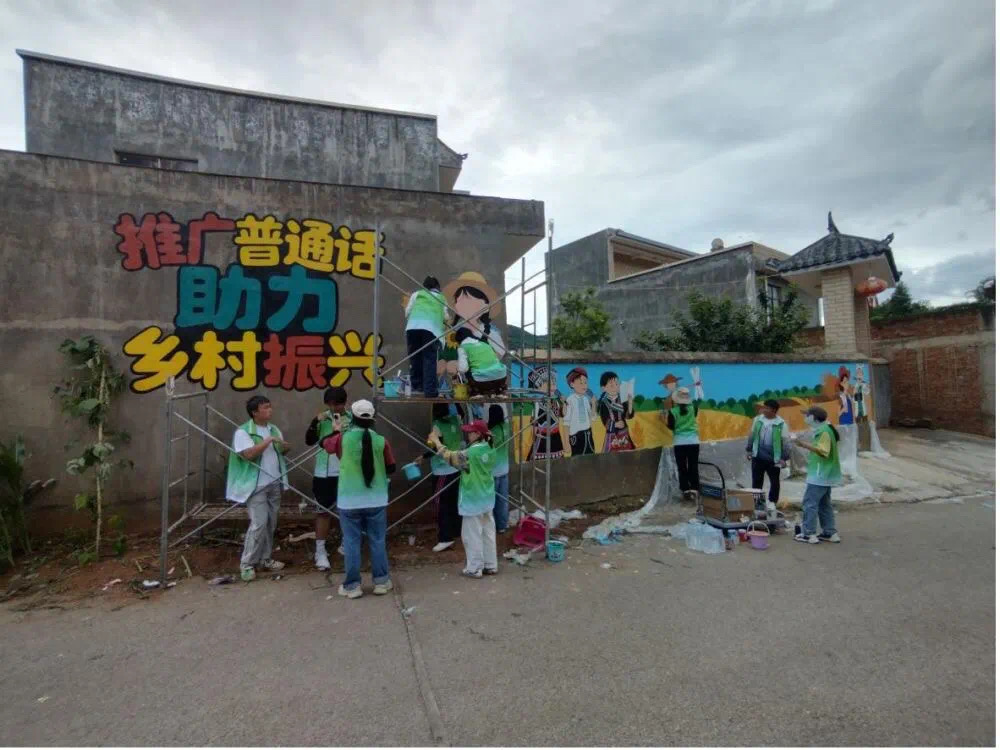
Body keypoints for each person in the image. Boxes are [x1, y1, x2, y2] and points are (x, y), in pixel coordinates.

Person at [321, 400, 396, 598]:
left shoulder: (342, 438)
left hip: (349, 500)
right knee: (377, 540)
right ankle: (381, 582)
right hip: (377, 499)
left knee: (352, 542)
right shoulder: (381, 440)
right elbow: (391, 467)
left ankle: (352, 586)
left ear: (353, 417)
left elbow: (325, 445)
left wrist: (336, 430)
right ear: (372, 419)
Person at [227, 395, 290, 582]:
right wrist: (268, 441)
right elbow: (248, 454)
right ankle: (247, 564)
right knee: (259, 524)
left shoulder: (273, 429)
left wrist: (284, 446)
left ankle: (265, 559)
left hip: (274, 482)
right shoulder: (243, 432)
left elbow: (281, 452)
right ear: (255, 412)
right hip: (256, 485)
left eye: (270, 406)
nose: (270, 410)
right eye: (265, 407)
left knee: (270, 523)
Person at [432, 419, 497, 578]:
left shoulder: (471, 453)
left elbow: (450, 457)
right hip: (487, 497)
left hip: (473, 499)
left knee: (471, 535)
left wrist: (436, 441)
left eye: (470, 432)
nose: (468, 435)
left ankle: (474, 568)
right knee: (488, 532)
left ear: (478, 434)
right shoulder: (490, 447)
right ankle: (490, 564)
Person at [304, 386, 349, 571]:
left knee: (348, 510)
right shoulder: (322, 419)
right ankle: (320, 551)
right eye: (329, 405)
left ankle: (347, 544)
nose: (333, 409)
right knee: (323, 512)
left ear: (344, 403)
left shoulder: (353, 419)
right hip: (324, 472)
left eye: (336, 405)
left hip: (347, 472)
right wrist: (315, 422)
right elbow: (309, 440)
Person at [793, 406, 842, 545]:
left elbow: (823, 451)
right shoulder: (826, 429)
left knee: (810, 504)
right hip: (826, 473)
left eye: (807, 415)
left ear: (813, 418)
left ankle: (809, 534)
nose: (805, 418)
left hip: (820, 474)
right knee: (824, 504)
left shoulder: (824, 432)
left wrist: (801, 444)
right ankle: (830, 533)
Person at [420, 402, 464, 553]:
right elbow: (462, 412)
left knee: (441, 505)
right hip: (456, 468)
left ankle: (445, 538)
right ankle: (456, 531)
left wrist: (422, 457)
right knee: (454, 502)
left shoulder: (437, 425)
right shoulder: (456, 419)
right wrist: (455, 399)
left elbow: (435, 448)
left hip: (442, 471)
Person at [404, 276, 448, 398]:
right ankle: (430, 391)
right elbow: (445, 317)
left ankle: (417, 386)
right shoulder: (441, 298)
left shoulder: (417, 294)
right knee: (429, 359)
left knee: (415, 357)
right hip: (430, 330)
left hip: (413, 328)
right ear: (437, 287)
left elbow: (407, 312)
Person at [745, 398, 790, 508]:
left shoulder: (781, 424)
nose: (763, 410)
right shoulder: (758, 420)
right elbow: (752, 435)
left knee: (774, 481)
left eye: (766, 408)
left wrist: (784, 458)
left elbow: (786, 443)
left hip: (774, 458)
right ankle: (757, 503)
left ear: (773, 410)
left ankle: (772, 502)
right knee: (756, 481)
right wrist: (749, 450)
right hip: (757, 456)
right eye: (763, 407)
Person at [667, 387, 700, 501]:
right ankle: (695, 488)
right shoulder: (694, 408)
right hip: (694, 442)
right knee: (693, 465)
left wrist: (662, 419)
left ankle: (685, 490)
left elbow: (671, 427)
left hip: (680, 442)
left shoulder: (673, 411)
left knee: (682, 467)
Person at [456, 327, 507, 396]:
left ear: (458, 339)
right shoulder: (485, 344)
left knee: (467, 369)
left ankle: (476, 393)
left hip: (482, 382)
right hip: (501, 379)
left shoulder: (463, 347)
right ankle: (499, 391)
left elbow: (462, 369)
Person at [527, 365, 564, 460]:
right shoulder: (538, 403)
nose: (553, 387)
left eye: (554, 384)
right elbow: (534, 424)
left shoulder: (556, 402)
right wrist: (535, 436)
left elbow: (563, 414)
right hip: (542, 438)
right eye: (549, 384)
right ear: (538, 386)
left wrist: (564, 402)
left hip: (556, 437)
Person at [597, 371, 635, 452]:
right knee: (611, 456)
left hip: (624, 434)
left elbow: (629, 416)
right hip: (612, 435)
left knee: (628, 455)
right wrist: (615, 424)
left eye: (617, 384)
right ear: (603, 388)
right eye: (611, 385)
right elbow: (605, 420)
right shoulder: (604, 403)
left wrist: (630, 403)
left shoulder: (622, 399)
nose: (615, 387)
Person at [488, 404, 511, 533]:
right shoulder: (506, 426)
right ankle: (502, 525)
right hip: (504, 469)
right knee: (503, 500)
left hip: (493, 471)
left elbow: (487, 448)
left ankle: (490, 527)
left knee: (490, 502)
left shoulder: (493, 432)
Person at [564, 367, 596, 455]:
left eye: (585, 382)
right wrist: (566, 443)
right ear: (572, 384)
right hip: (576, 436)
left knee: (590, 457)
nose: (584, 385)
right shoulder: (570, 400)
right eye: (580, 383)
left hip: (588, 434)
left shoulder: (586, 400)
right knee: (577, 458)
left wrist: (593, 404)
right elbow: (566, 423)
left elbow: (593, 418)